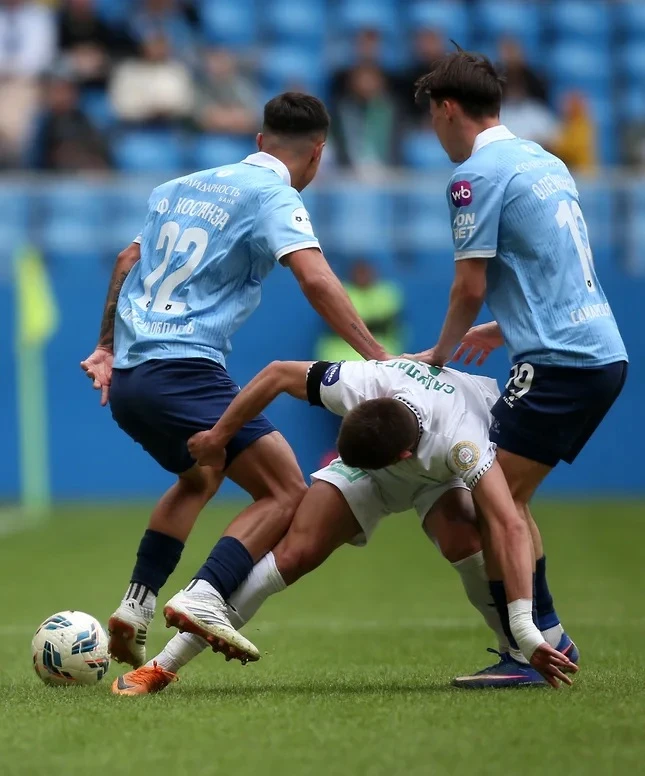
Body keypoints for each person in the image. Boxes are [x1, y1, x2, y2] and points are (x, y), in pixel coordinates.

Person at [80, 93, 393, 670]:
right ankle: (204, 595)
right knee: (286, 491)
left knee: (200, 477)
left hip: (129, 377)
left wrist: (105, 346)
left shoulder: (177, 187)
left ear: (259, 141)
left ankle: (135, 606)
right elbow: (316, 279)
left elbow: (127, 260)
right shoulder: (274, 195)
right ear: (318, 153)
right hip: (185, 370)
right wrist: (379, 358)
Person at [112, 357, 577, 695]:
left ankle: (519, 650)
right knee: (294, 553)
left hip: (440, 473)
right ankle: (161, 667)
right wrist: (220, 435)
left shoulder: (462, 443)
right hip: (376, 463)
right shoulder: (362, 382)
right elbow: (276, 374)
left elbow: (509, 524)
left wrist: (526, 626)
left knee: (466, 539)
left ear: (403, 456)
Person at [410, 49, 628, 686]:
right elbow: (557, 269)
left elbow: (468, 285)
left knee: (488, 503)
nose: (435, 131)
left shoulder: (474, 177)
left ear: (448, 109)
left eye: (433, 117)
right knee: (508, 500)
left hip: (561, 364)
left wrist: (440, 354)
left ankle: (532, 651)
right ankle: (547, 640)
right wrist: (505, 327)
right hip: (595, 350)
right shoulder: (545, 160)